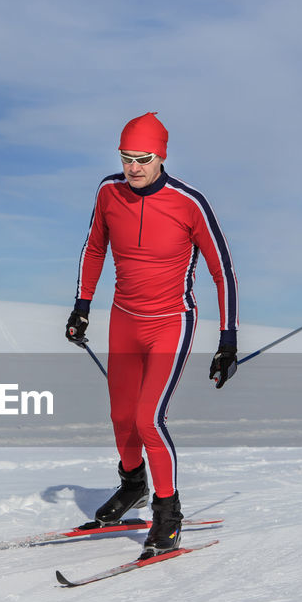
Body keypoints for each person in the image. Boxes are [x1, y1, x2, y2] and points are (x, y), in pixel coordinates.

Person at [64, 112, 239, 559]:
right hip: (125, 318)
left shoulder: (189, 203)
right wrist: (82, 306)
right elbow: (94, 246)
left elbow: (223, 272)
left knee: (148, 419)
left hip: (170, 322)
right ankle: (133, 486)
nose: (134, 168)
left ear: (161, 157)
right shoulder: (109, 192)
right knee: (121, 417)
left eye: (143, 159)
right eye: (126, 158)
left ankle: (168, 513)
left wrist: (227, 340)